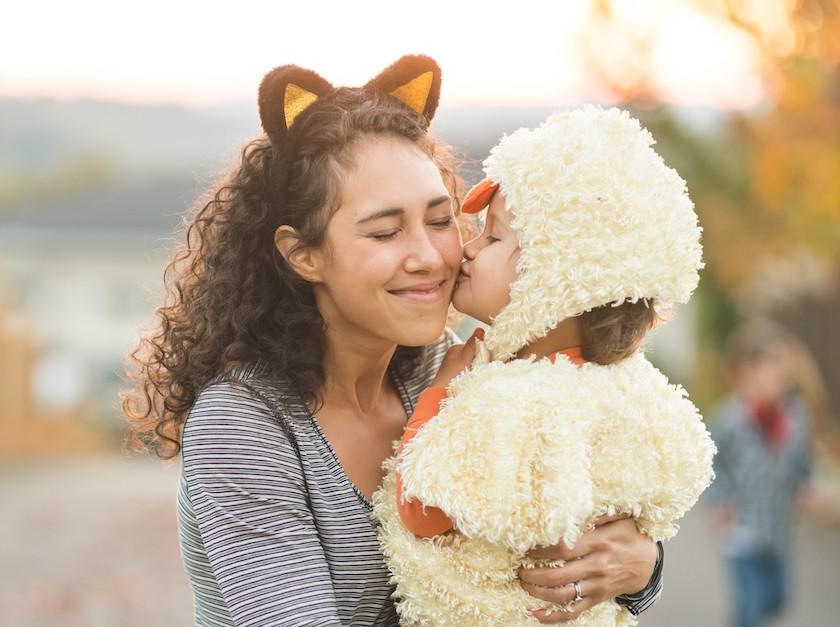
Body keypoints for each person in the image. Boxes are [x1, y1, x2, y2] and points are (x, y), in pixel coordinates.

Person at [123, 56, 663, 626]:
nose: (430, 257)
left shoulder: (448, 370)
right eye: (385, 231)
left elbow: (564, 524)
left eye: (439, 220)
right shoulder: (246, 426)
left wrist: (640, 569)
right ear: (302, 253)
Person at [375, 105, 716, 626]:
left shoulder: (511, 401)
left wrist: (439, 393)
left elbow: (422, 510)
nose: (465, 249)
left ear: (548, 278)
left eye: (491, 238)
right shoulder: (629, 390)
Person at [704, 319, 829, 627]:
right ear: (745, 372)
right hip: (742, 528)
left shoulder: (796, 416)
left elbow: (803, 459)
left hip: (779, 529)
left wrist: (810, 485)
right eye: (768, 367)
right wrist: (720, 500)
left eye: (782, 370)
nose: (777, 377)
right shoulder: (729, 419)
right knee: (750, 606)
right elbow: (711, 464)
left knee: (776, 600)